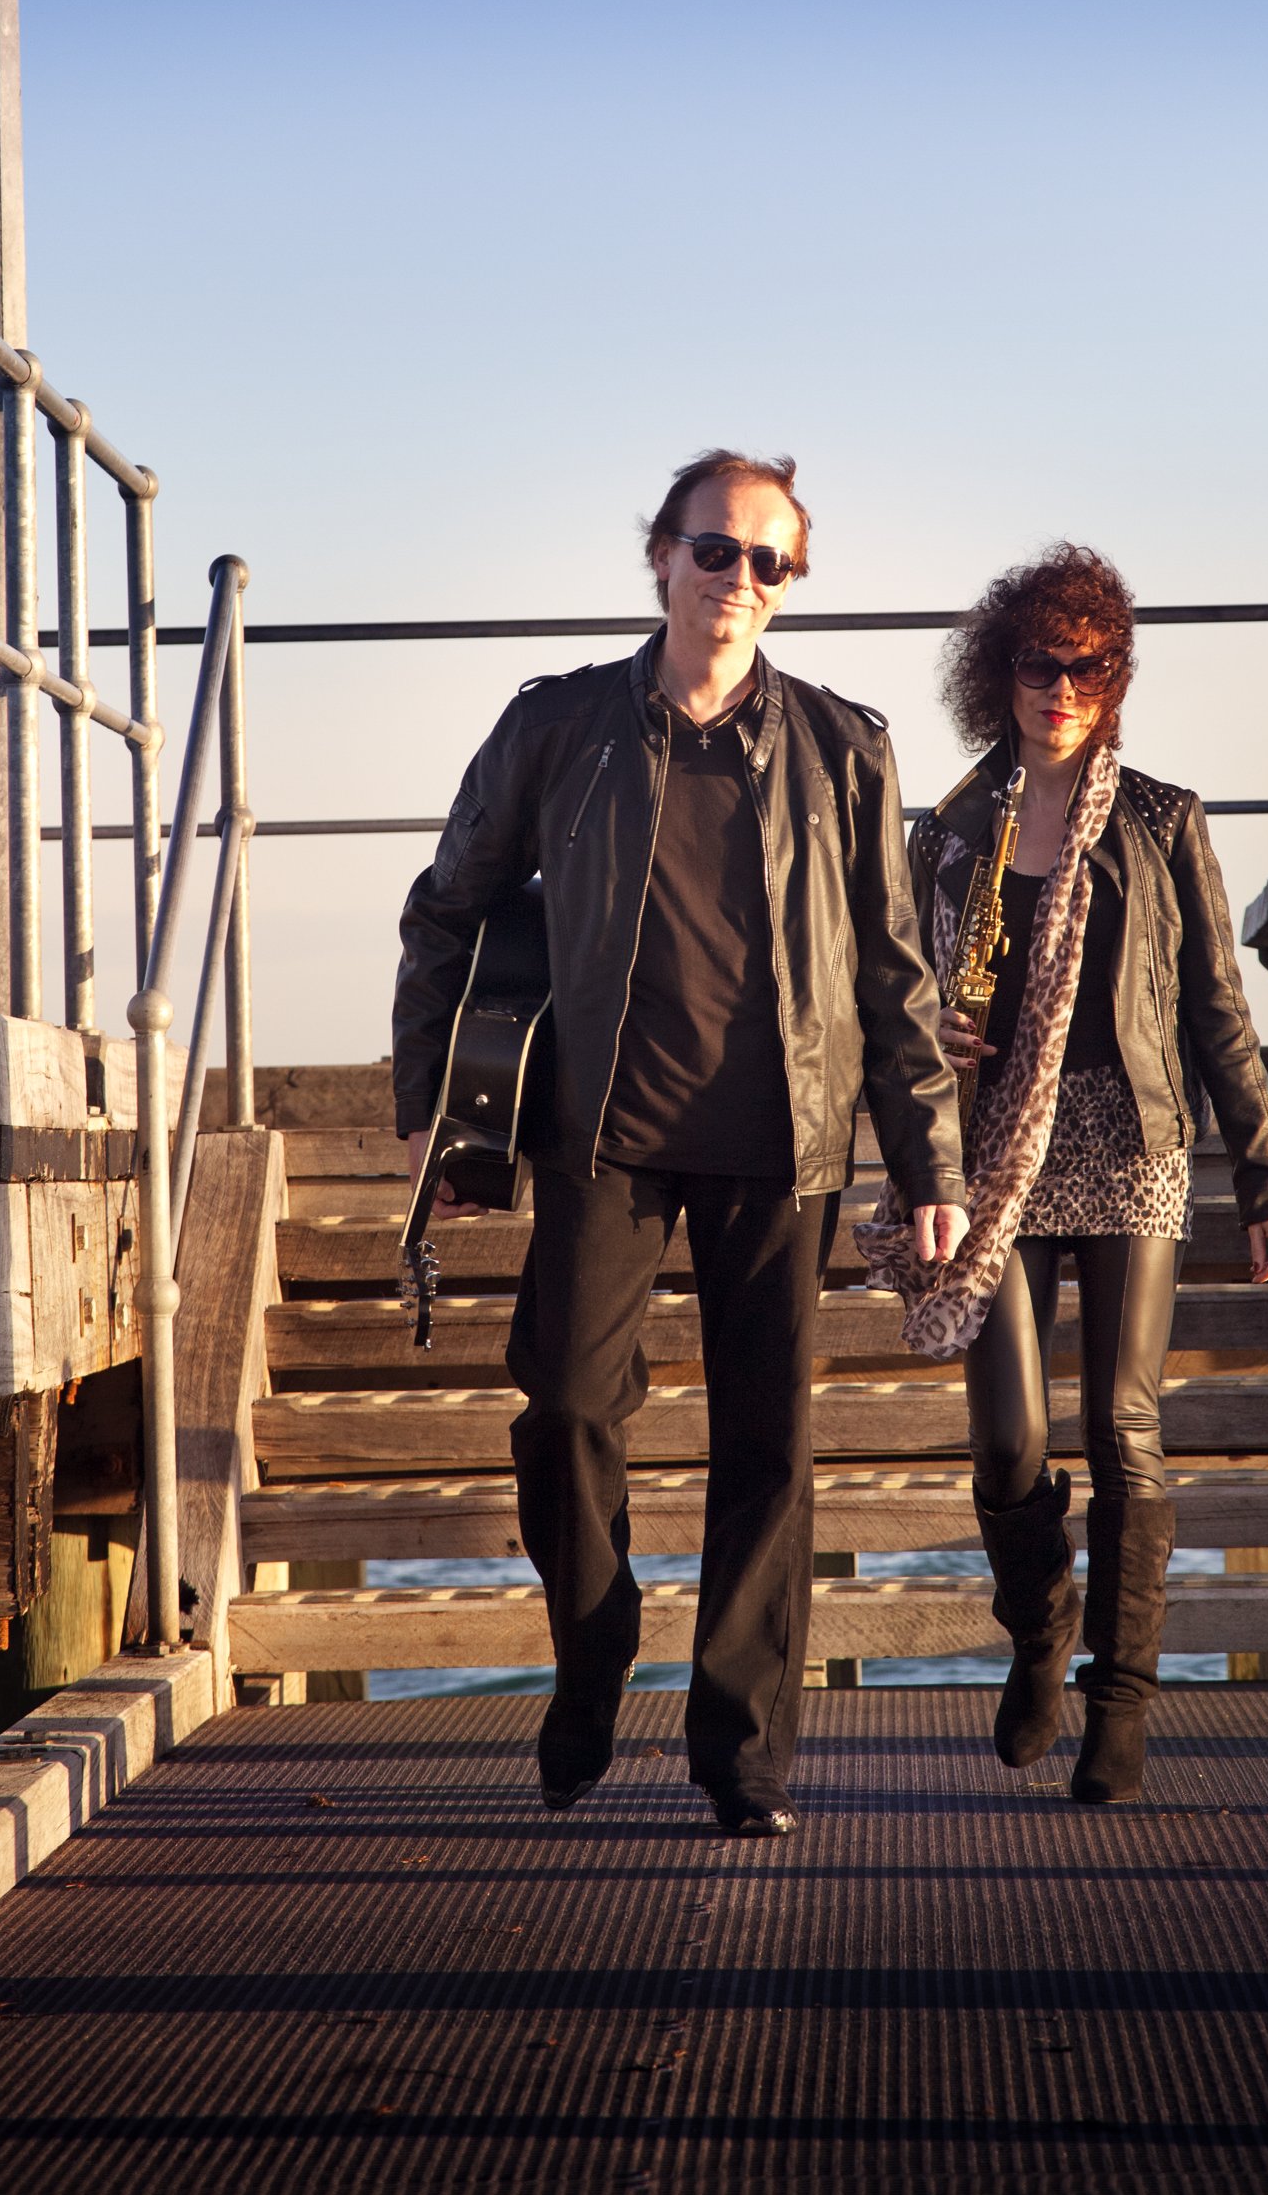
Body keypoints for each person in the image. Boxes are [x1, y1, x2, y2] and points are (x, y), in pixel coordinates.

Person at [392, 451, 967, 1837]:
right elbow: (446, 904)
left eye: (771, 562)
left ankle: (742, 1749)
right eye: (719, 551)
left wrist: (931, 1161)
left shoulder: (844, 746)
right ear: (660, 556)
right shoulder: (560, 727)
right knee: (570, 1411)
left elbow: (893, 971)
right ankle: (592, 1661)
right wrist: (440, 1114)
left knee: (770, 1445)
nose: (741, 581)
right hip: (604, 1132)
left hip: (785, 1140)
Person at [861, 543, 1268, 1807]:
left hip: (1128, 1143)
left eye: (1086, 665)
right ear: (996, 673)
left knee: (1121, 1430)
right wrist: (929, 1034)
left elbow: (1217, 1007)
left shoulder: (1160, 820)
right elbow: (886, 1002)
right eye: (1038, 663)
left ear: (1115, 677)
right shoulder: (944, 833)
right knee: (1008, 1442)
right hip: (994, 1148)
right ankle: (1039, 1625)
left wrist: (1264, 1182)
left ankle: (1121, 1694)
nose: (1060, 686)